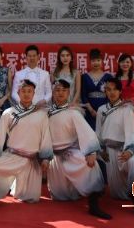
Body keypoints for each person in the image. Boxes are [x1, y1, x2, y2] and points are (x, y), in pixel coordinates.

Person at [0, 79, 53, 211]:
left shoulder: (41, 115)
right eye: (23, 91)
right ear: (18, 93)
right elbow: (0, 134)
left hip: (31, 160)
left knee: (31, 198)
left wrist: (45, 158)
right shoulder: (9, 112)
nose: (26, 94)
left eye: (29, 91)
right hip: (12, 156)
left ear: (34, 93)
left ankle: (15, 186)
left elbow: (46, 137)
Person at [47, 80, 110, 220]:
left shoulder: (73, 113)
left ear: (68, 93)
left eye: (64, 90)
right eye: (57, 90)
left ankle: (94, 203)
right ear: (53, 93)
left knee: (90, 166)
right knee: (60, 196)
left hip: (71, 153)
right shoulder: (47, 112)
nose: (60, 93)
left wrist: (91, 152)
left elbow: (86, 132)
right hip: (54, 157)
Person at [96, 77, 134, 220]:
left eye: (115, 89)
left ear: (120, 91)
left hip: (125, 151)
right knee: (117, 194)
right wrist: (101, 151)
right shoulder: (101, 110)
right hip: (110, 153)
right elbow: (98, 134)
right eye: (108, 90)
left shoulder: (127, 109)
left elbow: (133, 133)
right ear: (105, 92)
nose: (112, 92)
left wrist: (130, 151)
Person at [81, 48, 113, 129]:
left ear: (102, 61)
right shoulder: (84, 77)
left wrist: (106, 108)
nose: (96, 63)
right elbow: (83, 95)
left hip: (105, 109)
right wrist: (91, 110)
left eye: (98, 60)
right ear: (90, 62)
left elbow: (111, 94)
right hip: (89, 110)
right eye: (93, 61)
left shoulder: (108, 77)